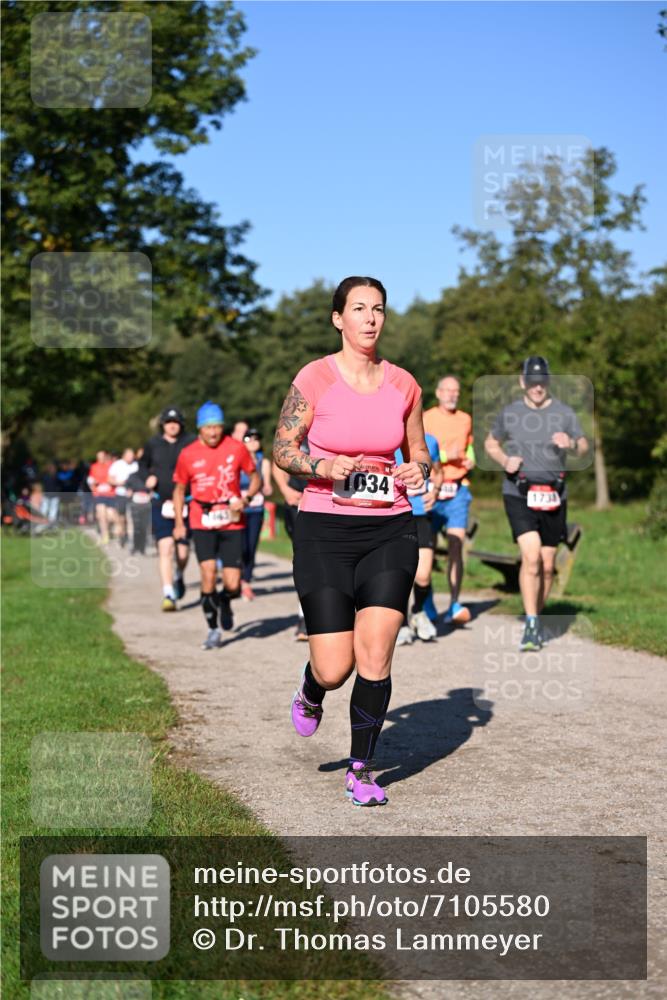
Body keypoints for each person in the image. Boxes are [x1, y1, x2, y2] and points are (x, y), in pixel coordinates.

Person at [273, 276, 431, 807]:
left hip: (391, 527)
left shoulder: (405, 384)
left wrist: (417, 471)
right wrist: (322, 465)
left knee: (377, 651)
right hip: (324, 529)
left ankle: (361, 769)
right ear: (338, 318)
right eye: (359, 308)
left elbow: (418, 448)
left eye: (378, 309)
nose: (370, 318)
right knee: (335, 666)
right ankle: (312, 689)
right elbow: (282, 449)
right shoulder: (315, 378)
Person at [484, 356, 588, 651]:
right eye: (532, 381)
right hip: (519, 493)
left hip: (555, 495)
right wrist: (505, 459)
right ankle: (531, 625)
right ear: (523, 382)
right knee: (530, 557)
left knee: (546, 565)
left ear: (548, 382)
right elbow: (491, 444)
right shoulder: (510, 413)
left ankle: (536, 618)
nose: (537, 387)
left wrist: (572, 443)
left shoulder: (564, 413)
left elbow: (583, 447)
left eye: (542, 381)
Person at [173, 401, 260, 650]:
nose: (213, 432)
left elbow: (255, 478)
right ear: (200, 428)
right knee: (208, 574)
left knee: (233, 584)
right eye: (208, 427)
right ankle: (213, 629)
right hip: (201, 518)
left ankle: (225, 601)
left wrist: (246, 498)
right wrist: (179, 523)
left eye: (217, 427)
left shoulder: (236, 448)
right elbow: (179, 490)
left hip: (231, 519)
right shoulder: (187, 454)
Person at [423, 375, 475, 625]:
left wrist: (471, 458)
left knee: (457, 544)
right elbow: (419, 451)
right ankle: (427, 602)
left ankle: (454, 603)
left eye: (456, 391)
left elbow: (470, 446)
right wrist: (445, 455)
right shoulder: (426, 418)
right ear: (438, 392)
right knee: (427, 550)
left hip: (458, 489)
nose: (452, 395)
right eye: (447, 390)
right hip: (431, 489)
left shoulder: (466, 419)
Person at [140, 407, 195, 611]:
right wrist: (147, 478)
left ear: (181, 424)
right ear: (162, 424)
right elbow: (142, 465)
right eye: (168, 422)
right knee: (165, 548)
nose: (172, 425)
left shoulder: (190, 442)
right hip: (160, 502)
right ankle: (168, 594)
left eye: (176, 422)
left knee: (182, 552)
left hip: (186, 502)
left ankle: (179, 575)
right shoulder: (152, 444)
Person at [394, 432, 442, 644]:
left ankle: (418, 611)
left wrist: (436, 490)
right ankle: (401, 623)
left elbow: (438, 471)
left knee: (423, 575)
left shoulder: (429, 440)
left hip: (422, 515)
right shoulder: (384, 436)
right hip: (394, 514)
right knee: (399, 573)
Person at [272, 454, 309, 640]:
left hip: (329, 499)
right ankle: (304, 616)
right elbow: (279, 460)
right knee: (306, 560)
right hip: (297, 500)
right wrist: (285, 490)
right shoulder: (297, 425)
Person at [239, 428, 273, 600]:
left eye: (256, 438)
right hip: (239, 510)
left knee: (251, 547)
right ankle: (236, 575)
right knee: (240, 547)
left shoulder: (263, 462)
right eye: (248, 438)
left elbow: (267, 484)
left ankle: (246, 582)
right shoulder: (237, 460)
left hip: (256, 509)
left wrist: (267, 488)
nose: (253, 441)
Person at [109, 448, 138, 548]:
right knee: (122, 517)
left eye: (132, 455)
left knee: (132, 516)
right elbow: (110, 479)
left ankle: (132, 539)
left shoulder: (136, 465)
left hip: (134, 494)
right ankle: (122, 534)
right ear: (124, 455)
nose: (131, 457)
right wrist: (120, 483)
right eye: (129, 455)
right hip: (120, 494)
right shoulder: (117, 464)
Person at [87, 450, 116, 544]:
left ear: (105, 456)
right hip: (99, 494)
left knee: (111, 516)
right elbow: (90, 480)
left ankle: (109, 529)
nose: (101, 458)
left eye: (102, 456)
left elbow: (115, 477)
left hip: (111, 494)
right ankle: (105, 535)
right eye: (99, 457)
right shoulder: (94, 467)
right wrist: (94, 490)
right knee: (102, 515)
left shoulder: (111, 466)